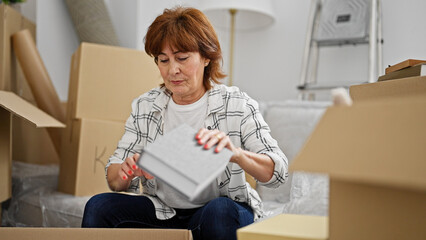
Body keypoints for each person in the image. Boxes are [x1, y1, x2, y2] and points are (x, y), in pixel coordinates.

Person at [81, 6, 288, 240]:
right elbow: (114, 179)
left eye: (182, 58)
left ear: (206, 57)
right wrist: (128, 171)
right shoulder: (146, 106)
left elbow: (278, 171)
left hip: (220, 209)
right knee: (99, 207)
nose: (173, 70)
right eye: (163, 60)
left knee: (219, 211)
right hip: (164, 212)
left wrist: (236, 154)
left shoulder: (236, 104)